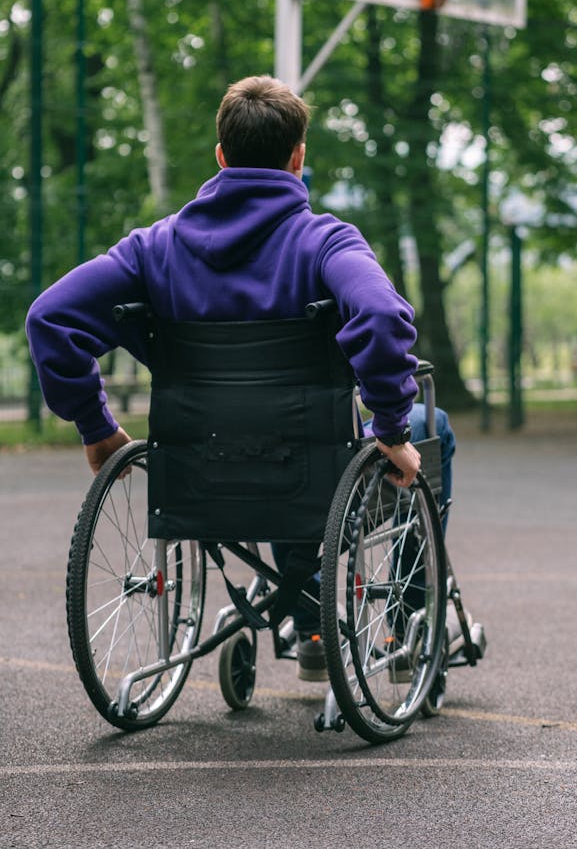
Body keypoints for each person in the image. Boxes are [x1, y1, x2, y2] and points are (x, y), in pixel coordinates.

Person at [25, 74, 455, 679]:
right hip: (311, 468)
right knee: (426, 425)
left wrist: (96, 428)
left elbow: (49, 317)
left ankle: (310, 619)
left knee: (285, 443)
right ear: (298, 158)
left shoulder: (155, 248)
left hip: (198, 474)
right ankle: (406, 620)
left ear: (221, 155)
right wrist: (389, 427)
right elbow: (382, 316)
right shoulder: (325, 242)